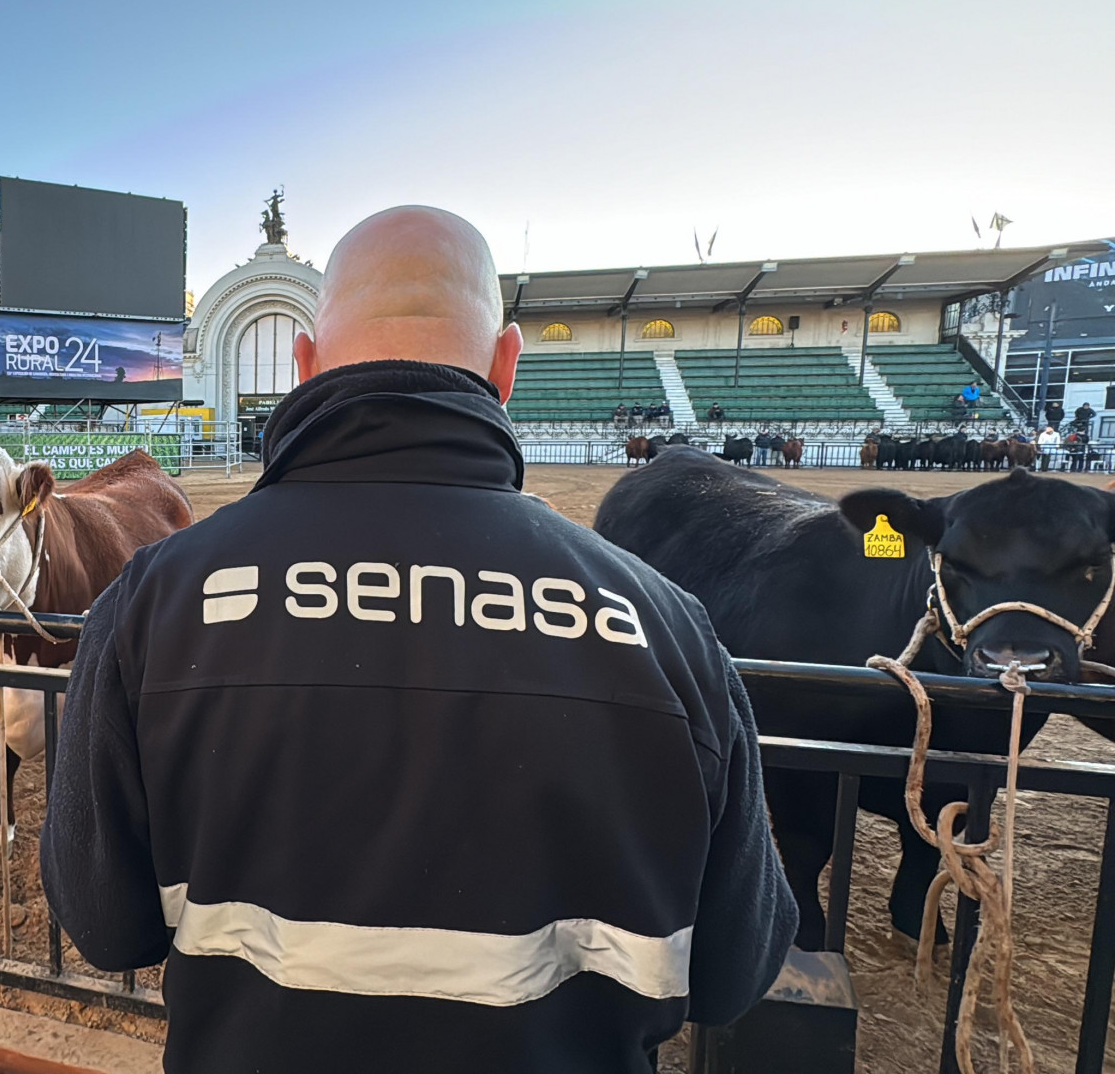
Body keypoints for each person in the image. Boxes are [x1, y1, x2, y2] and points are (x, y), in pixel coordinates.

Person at [41, 206, 795, 1073]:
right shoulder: (666, 627)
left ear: (304, 364)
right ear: (505, 366)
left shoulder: (153, 601)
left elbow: (104, 925)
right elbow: (735, 972)